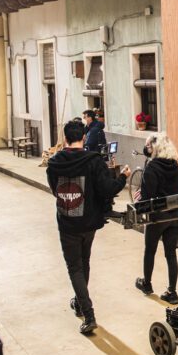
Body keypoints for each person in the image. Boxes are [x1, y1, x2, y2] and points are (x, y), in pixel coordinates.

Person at [47, 119, 131, 334]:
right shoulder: (94, 161)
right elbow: (107, 189)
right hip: (89, 222)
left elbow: (55, 189)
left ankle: (88, 313)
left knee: (75, 267)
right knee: (84, 262)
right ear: (83, 137)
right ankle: (80, 302)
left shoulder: (54, 163)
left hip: (67, 221)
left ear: (65, 138)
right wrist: (123, 177)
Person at [134, 133, 178, 305]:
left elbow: (147, 196)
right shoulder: (175, 166)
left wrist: (139, 200)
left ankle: (147, 284)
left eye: (147, 146)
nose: (146, 149)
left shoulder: (152, 167)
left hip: (158, 216)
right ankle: (172, 292)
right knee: (171, 254)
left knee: (150, 250)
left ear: (154, 148)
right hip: (176, 215)